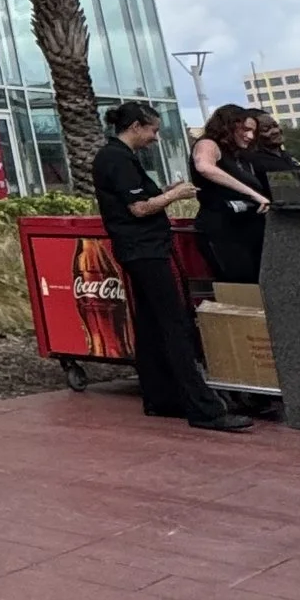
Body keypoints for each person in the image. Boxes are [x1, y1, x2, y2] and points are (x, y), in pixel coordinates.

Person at [91, 101, 251, 429]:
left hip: (140, 248)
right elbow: (138, 208)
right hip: (145, 249)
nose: (155, 137)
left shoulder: (117, 158)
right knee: (174, 323)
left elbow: (133, 202)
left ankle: (161, 397)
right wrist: (175, 196)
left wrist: (165, 192)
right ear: (135, 126)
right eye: (153, 130)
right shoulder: (116, 159)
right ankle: (203, 408)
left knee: (151, 325)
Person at [190, 104, 272, 284]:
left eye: (253, 132)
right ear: (229, 126)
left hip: (248, 228)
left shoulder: (240, 155)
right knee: (240, 283)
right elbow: (204, 167)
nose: (250, 136)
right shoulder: (208, 144)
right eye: (245, 129)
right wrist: (252, 194)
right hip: (223, 229)